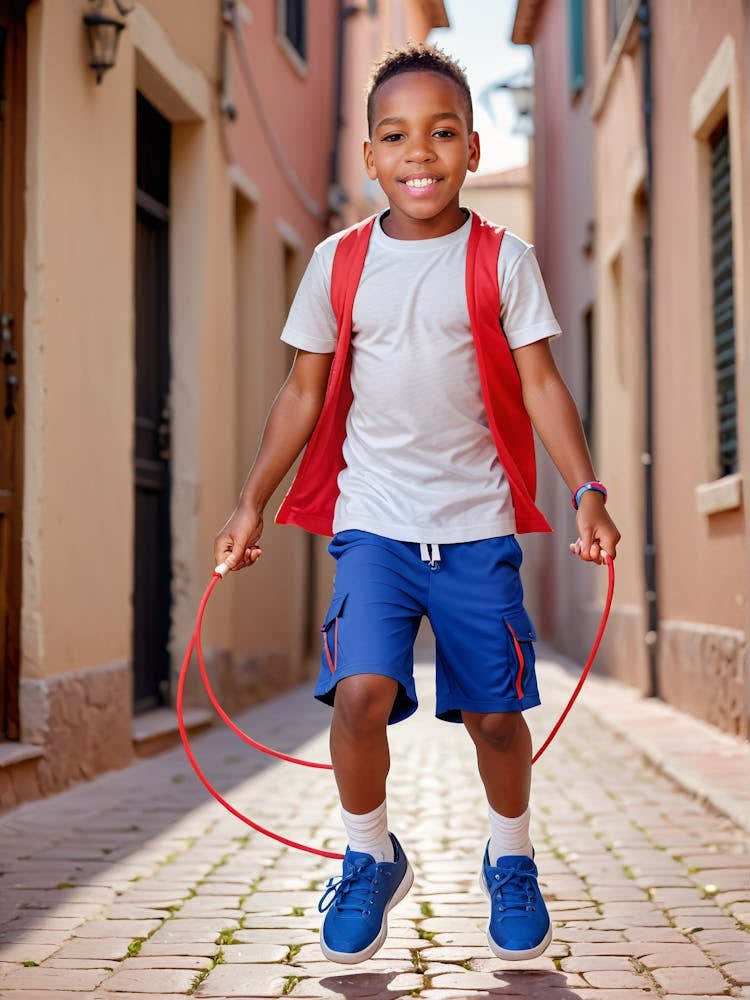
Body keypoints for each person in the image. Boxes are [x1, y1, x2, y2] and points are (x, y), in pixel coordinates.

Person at [213, 42, 620, 966]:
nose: (420, 153)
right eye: (396, 136)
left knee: (494, 716)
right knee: (358, 694)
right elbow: (302, 394)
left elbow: (544, 386)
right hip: (374, 526)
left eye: (442, 134)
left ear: (473, 148)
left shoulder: (502, 259)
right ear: (369, 156)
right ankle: (367, 858)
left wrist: (587, 490)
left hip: (476, 529)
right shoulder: (339, 262)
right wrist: (251, 503)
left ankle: (510, 860)